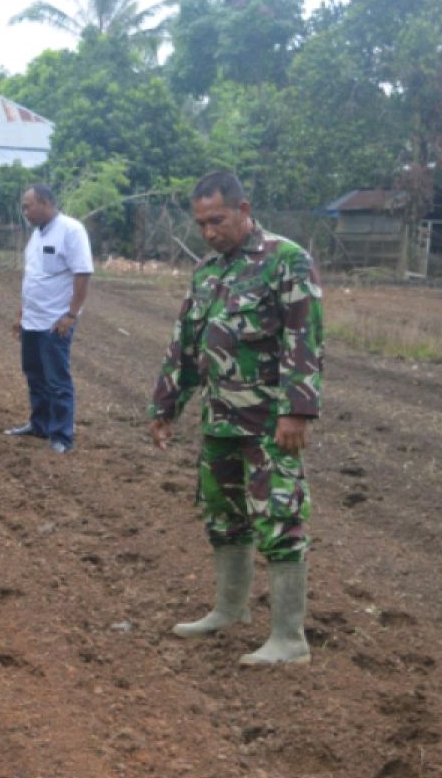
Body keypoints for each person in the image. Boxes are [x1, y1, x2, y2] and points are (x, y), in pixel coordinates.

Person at [147, 171, 324, 666]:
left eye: (217, 220)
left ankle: (289, 639)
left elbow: (304, 340)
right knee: (224, 517)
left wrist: (297, 411)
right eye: (201, 222)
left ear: (244, 209)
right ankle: (230, 609)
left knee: (281, 517)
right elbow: (185, 343)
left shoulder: (286, 260)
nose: (208, 231)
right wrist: (165, 406)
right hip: (219, 420)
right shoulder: (207, 271)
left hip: (270, 424)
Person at [4, 184, 93, 453]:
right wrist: (21, 314)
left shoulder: (71, 230)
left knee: (57, 380)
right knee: (35, 375)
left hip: (56, 321)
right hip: (33, 319)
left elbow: (83, 273)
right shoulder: (36, 235)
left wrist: (71, 314)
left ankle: (62, 436)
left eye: (27, 205)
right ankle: (39, 425)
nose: (25, 212)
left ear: (44, 203)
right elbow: (32, 277)